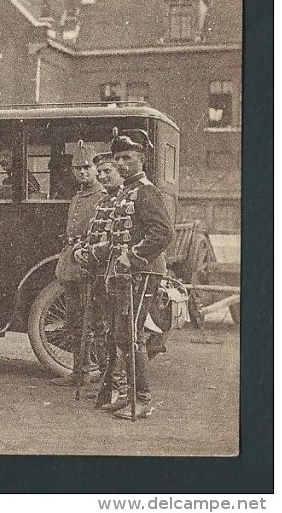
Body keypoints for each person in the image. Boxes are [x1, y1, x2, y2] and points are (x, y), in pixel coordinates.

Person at [95, 129, 172, 420]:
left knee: (132, 335)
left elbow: (163, 233)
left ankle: (142, 399)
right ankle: (127, 396)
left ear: (141, 159)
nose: (122, 163)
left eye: (128, 157)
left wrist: (133, 257)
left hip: (140, 276)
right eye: (118, 158)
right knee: (121, 335)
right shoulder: (126, 191)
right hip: (122, 277)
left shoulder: (146, 191)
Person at [49, 142, 106, 386]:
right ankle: (78, 372)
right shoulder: (77, 197)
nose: (82, 172)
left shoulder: (103, 197)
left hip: (90, 265)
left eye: (86, 167)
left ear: (96, 169)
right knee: (74, 322)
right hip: (72, 265)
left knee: (94, 323)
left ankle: (106, 376)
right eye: (77, 168)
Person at [74, 151, 125, 405]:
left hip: (112, 275)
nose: (103, 176)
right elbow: (91, 233)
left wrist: (90, 252)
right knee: (101, 330)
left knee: (116, 333)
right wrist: (79, 251)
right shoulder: (104, 202)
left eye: (108, 172)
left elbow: (116, 241)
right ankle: (107, 386)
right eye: (101, 172)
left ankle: (117, 388)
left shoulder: (122, 201)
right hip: (97, 274)